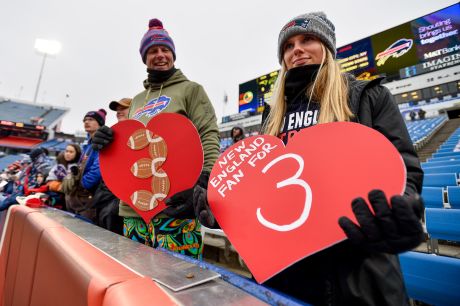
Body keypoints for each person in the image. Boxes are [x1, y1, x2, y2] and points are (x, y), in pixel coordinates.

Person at [246, 12, 424, 305]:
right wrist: (223, 207)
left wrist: (395, 210)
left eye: (307, 40)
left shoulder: (368, 96)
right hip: (287, 271)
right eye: (288, 46)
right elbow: (265, 188)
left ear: (327, 47)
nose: (297, 50)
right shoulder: (272, 115)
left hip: (357, 270)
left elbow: (404, 171)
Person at [92, 18, 220, 259]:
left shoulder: (191, 90)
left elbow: (208, 135)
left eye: (165, 49)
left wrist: (203, 181)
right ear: (144, 58)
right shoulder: (138, 99)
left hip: (175, 207)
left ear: (173, 54)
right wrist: (106, 142)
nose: (160, 55)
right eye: (152, 51)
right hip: (132, 210)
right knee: (138, 281)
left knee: (179, 283)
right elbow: (130, 147)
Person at [62, 109, 106, 222]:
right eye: (85, 120)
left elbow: (98, 169)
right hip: (81, 198)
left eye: (91, 119)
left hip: (90, 196)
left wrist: (80, 185)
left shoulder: (102, 141)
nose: (86, 122)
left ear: (100, 123)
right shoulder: (88, 143)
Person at [46, 144, 81, 208]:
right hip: (58, 198)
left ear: (77, 154)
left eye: (71, 152)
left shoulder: (80, 166)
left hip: (75, 201)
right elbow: (49, 181)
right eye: (66, 151)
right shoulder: (59, 164)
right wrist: (59, 186)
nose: (68, 154)